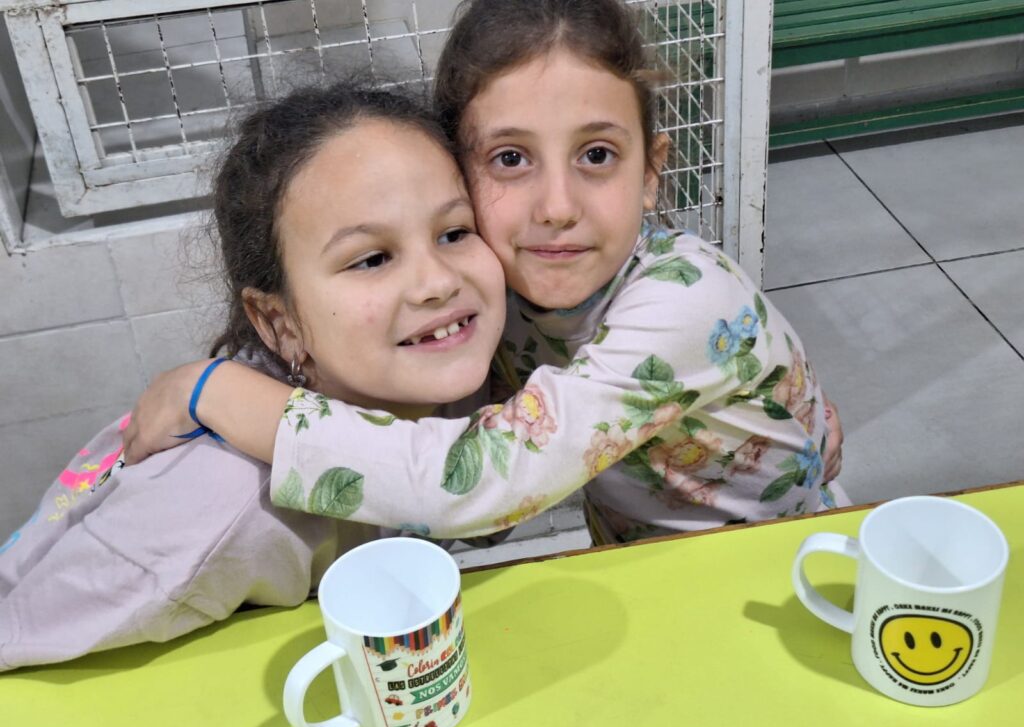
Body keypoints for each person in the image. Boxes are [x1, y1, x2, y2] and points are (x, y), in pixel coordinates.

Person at [125, 0, 844, 546]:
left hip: (775, 563)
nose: (556, 208)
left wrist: (214, 393)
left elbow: (482, 482)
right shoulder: (501, 281)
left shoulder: (685, 303)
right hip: (641, 559)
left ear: (651, 172)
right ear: (459, 175)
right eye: (510, 159)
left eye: (596, 155)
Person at [0, 83, 506, 671]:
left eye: (454, 232)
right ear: (278, 323)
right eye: (371, 259)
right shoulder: (221, 506)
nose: (438, 282)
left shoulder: (446, 368)